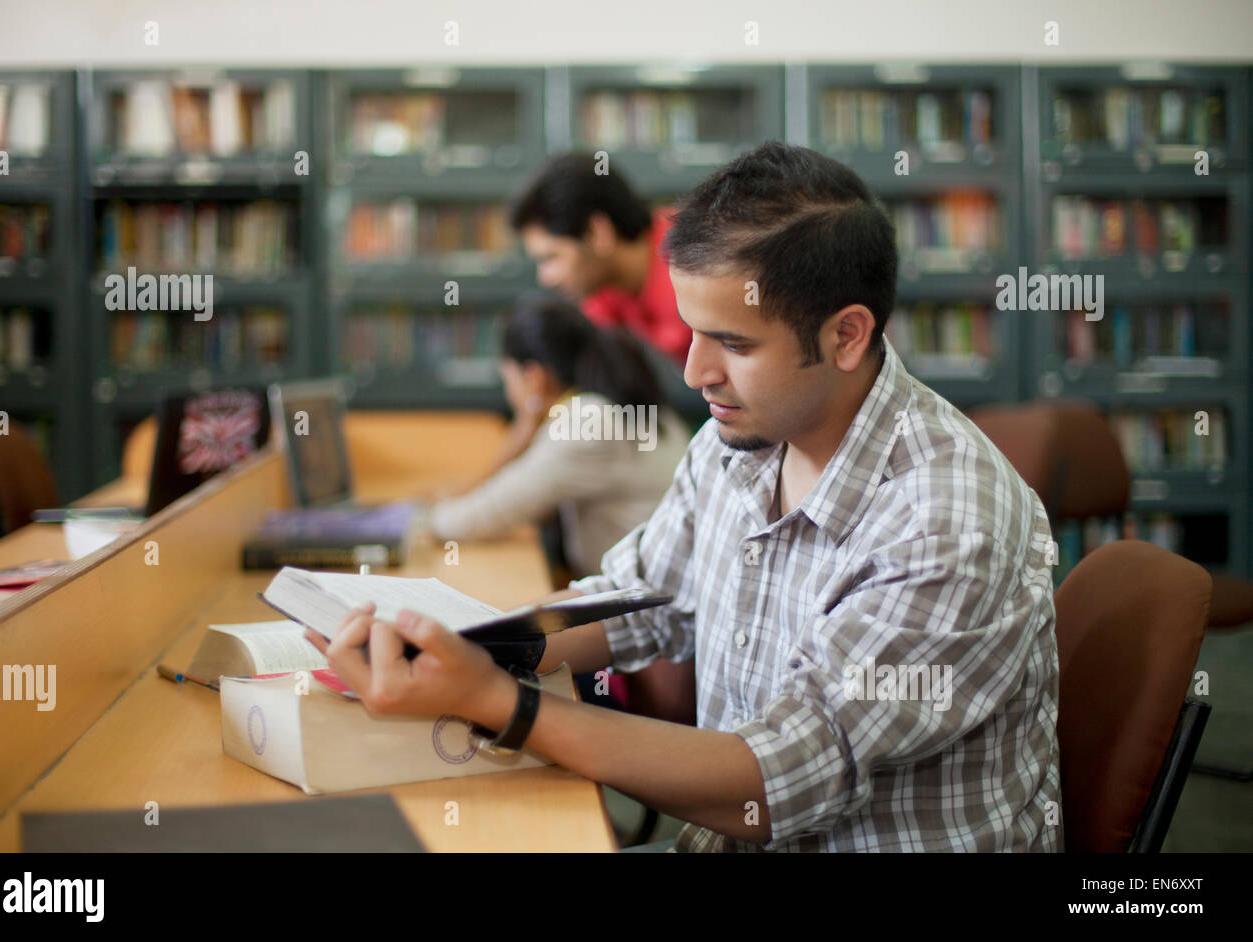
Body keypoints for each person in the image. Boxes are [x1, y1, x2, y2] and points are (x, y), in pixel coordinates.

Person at [308, 141, 1062, 852]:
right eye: (694, 332)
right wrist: (457, 650)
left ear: (846, 336)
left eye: (733, 343)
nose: (696, 371)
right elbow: (640, 596)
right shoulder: (738, 440)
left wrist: (501, 704)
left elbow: (773, 781)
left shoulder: (947, 523)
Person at [428, 293, 690, 580]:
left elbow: (466, 521)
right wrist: (524, 434)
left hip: (644, 609)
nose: (509, 392)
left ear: (534, 378)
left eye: (509, 379)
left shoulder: (587, 421)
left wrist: (415, 518)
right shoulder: (611, 401)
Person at [509, 153, 692, 366]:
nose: (545, 278)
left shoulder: (702, 260)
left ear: (596, 232)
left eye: (550, 258)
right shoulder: (604, 287)